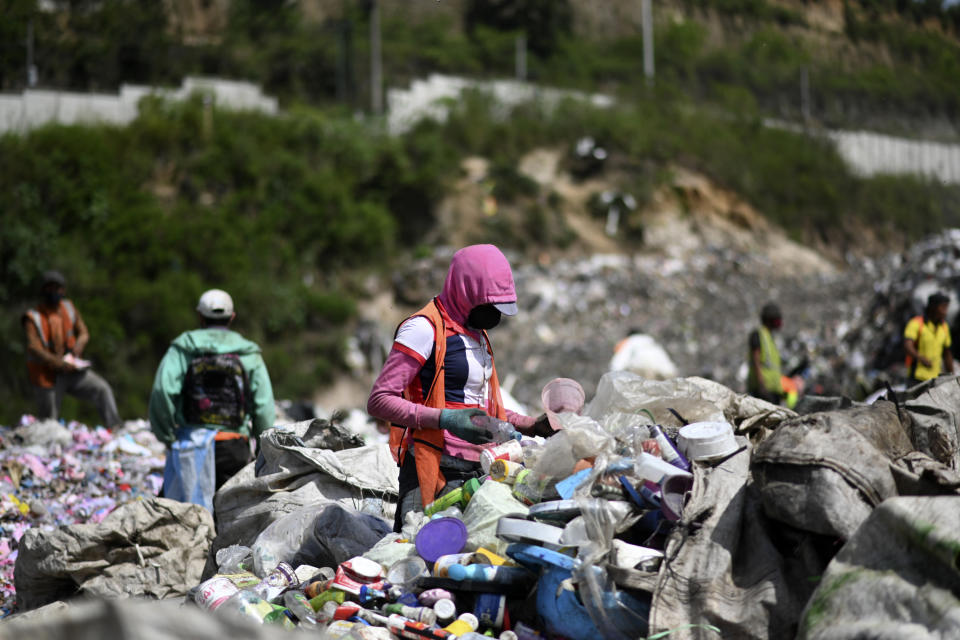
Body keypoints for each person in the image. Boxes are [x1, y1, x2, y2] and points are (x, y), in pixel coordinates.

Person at [367, 245, 552, 531]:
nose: (494, 315)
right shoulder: (423, 329)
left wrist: (533, 425)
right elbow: (380, 400)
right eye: (489, 305)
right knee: (421, 557)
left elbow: (485, 408)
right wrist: (445, 419)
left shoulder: (476, 334)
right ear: (465, 291)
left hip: (482, 468)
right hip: (435, 470)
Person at [149, 289, 275, 496]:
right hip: (234, 446)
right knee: (232, 518)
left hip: (190, 447)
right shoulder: (249, 354)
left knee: (182, 516)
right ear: (232, 317)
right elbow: (264, 407)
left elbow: (162, 391)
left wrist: (167, 435)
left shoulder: (183, 349)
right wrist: (263, 450)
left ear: (200, 316)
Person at [22, 270, 120, 428]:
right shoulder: (33, 317)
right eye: (50, 288)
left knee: (102, 389)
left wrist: (78, 346)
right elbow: (33, 347)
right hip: (48, 375)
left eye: (57, 288)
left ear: (63, 290)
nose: (54, 292)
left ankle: (115, 428)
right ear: (43, 290)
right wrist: (57, 362)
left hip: (72, 371)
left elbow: (84, 332)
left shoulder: (68, 308)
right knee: (49, 422)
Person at [747, 302, 803, 408]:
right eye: (777, 319)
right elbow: (756, 360)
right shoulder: (758, 335)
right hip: (763, 389)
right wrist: (761, 385)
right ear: (770, 320)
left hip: (773, 389)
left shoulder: (770, 338)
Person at [904, 292, 954, 384]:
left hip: (934, 379)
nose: (945, 311)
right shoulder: (916, 323)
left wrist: (952, 377)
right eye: (943, 307)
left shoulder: (944, 327)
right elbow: (908, 346)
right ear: (933, 307)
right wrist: (921, 358)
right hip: (916, 378)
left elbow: (947, 354)